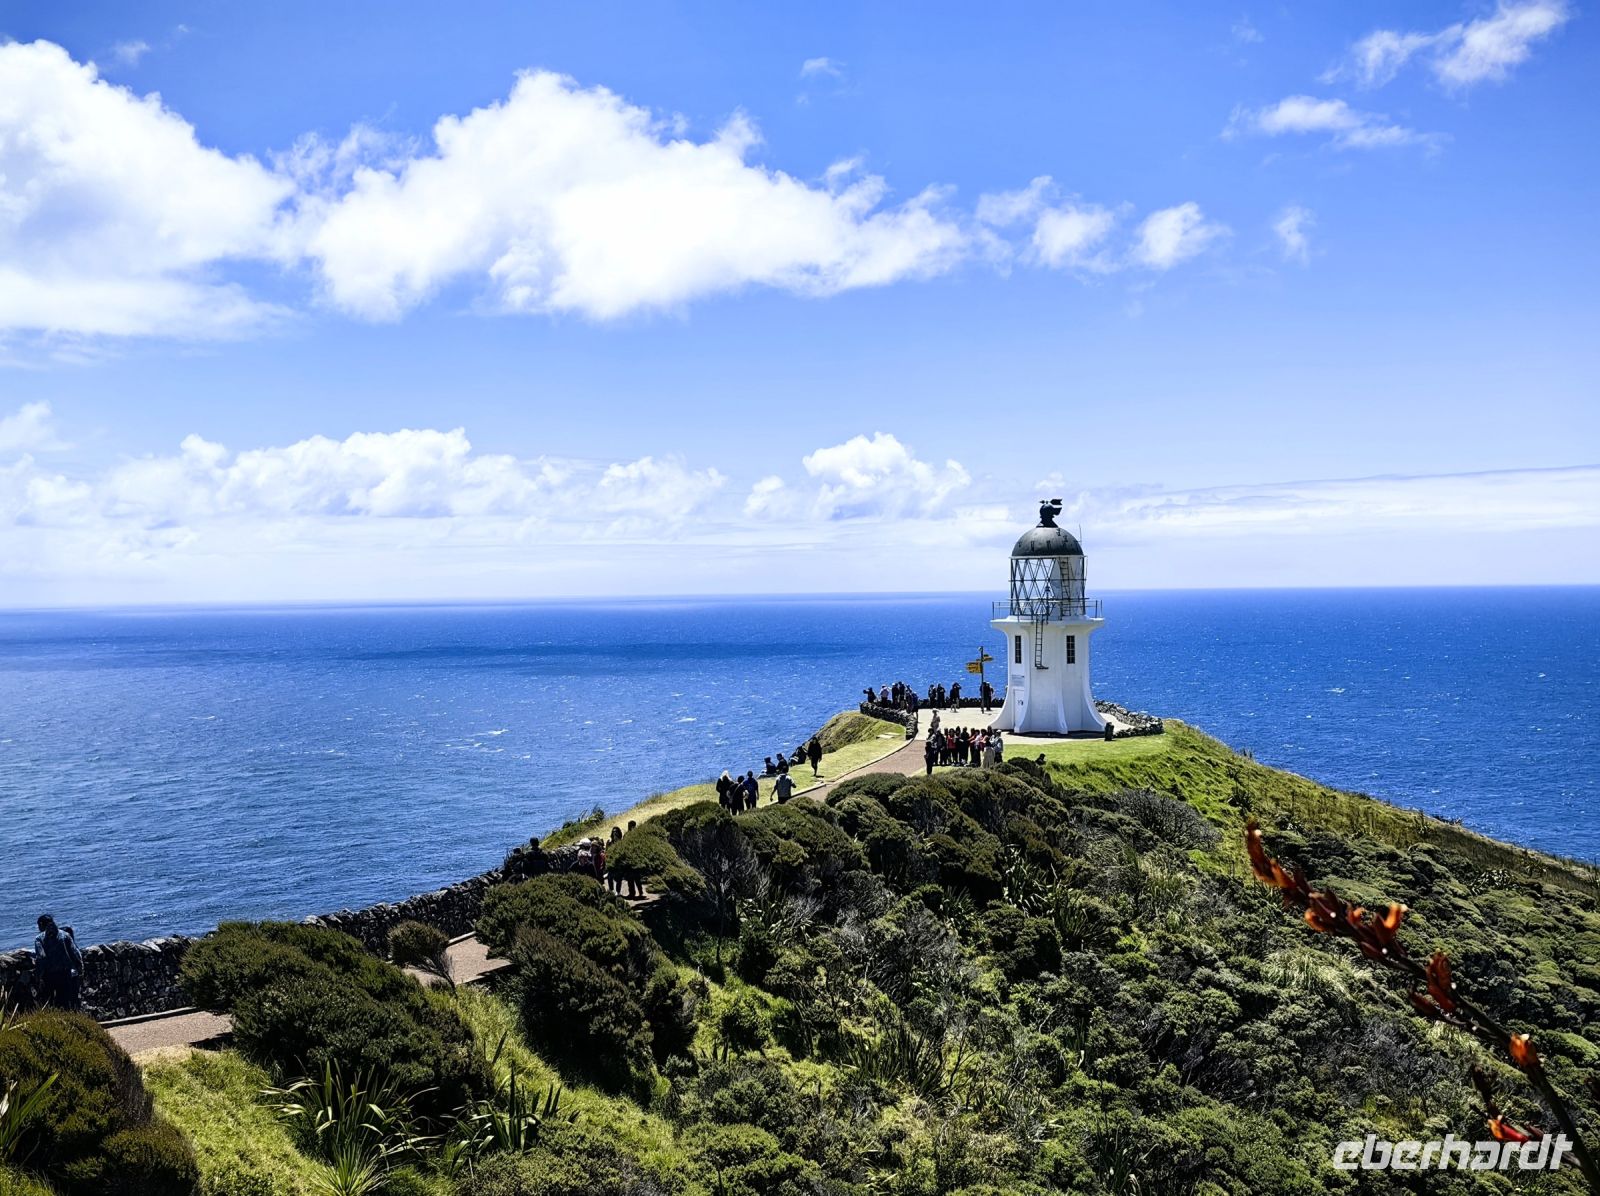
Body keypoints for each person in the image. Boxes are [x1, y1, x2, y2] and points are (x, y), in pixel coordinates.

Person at [33, 914, 81, 1010]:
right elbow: (75, 953)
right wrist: (79, 969)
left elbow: (41, 957)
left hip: (49, 975)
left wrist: (38, 976)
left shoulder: (39, 939)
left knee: (48, 1002)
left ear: (42, 925)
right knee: (65, 1001)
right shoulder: (65, 935)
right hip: (65, 973)